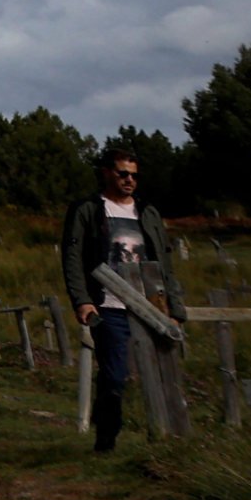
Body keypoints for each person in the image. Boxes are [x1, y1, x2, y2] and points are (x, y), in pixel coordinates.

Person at [62, 143, 162, 452]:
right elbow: (73, 257)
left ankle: (164, 441)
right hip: (109, 305)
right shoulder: (89, 210)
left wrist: (173, 307)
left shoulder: (147, 213)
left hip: (149, 307)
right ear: (107, 173)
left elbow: (164, 262)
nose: (129, 180)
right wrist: (81, 299)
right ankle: (106, 441)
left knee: (159, 376)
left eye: (133, 175)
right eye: (122, 174)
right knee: (115, 375)